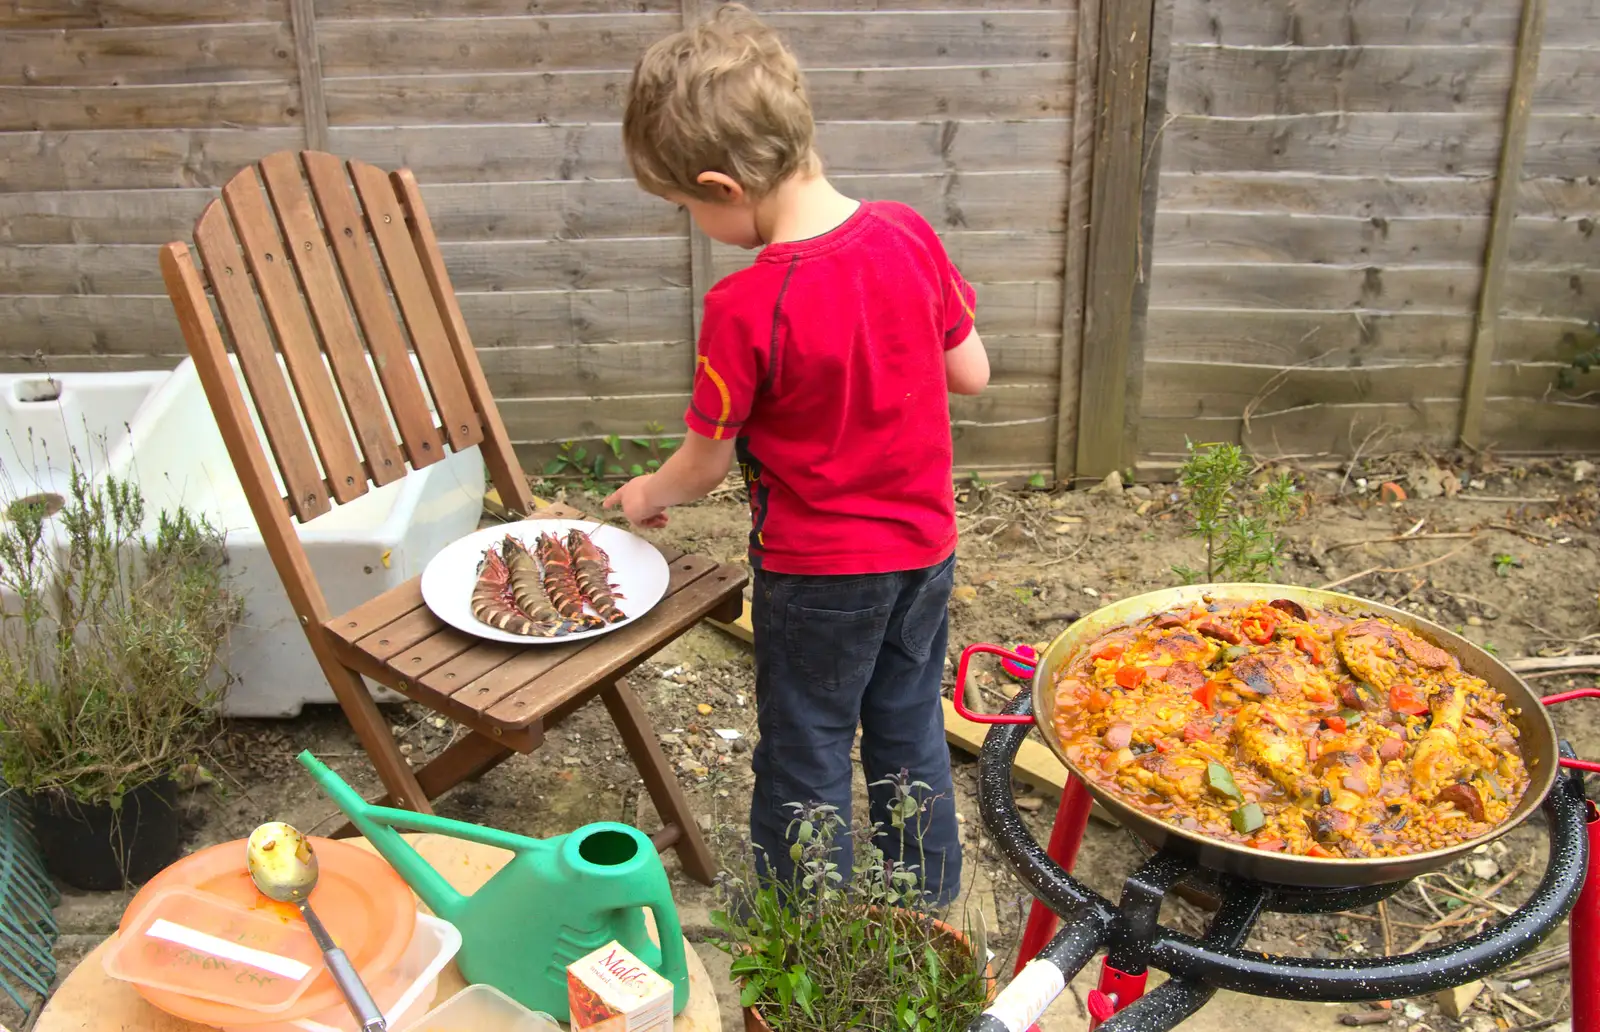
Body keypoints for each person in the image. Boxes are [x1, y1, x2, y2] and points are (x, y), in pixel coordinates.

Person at [604, 2, 989, 904]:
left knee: (807, 746)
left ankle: (803, 921)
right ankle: (926, 906)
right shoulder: (907, 232)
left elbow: (702, 465)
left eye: (684, 207)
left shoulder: (747, 308)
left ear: (722, 186)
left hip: (818, 579)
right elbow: (969, 372)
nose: (694, 223)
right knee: (907, 727)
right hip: (925, 554)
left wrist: (641, 496)